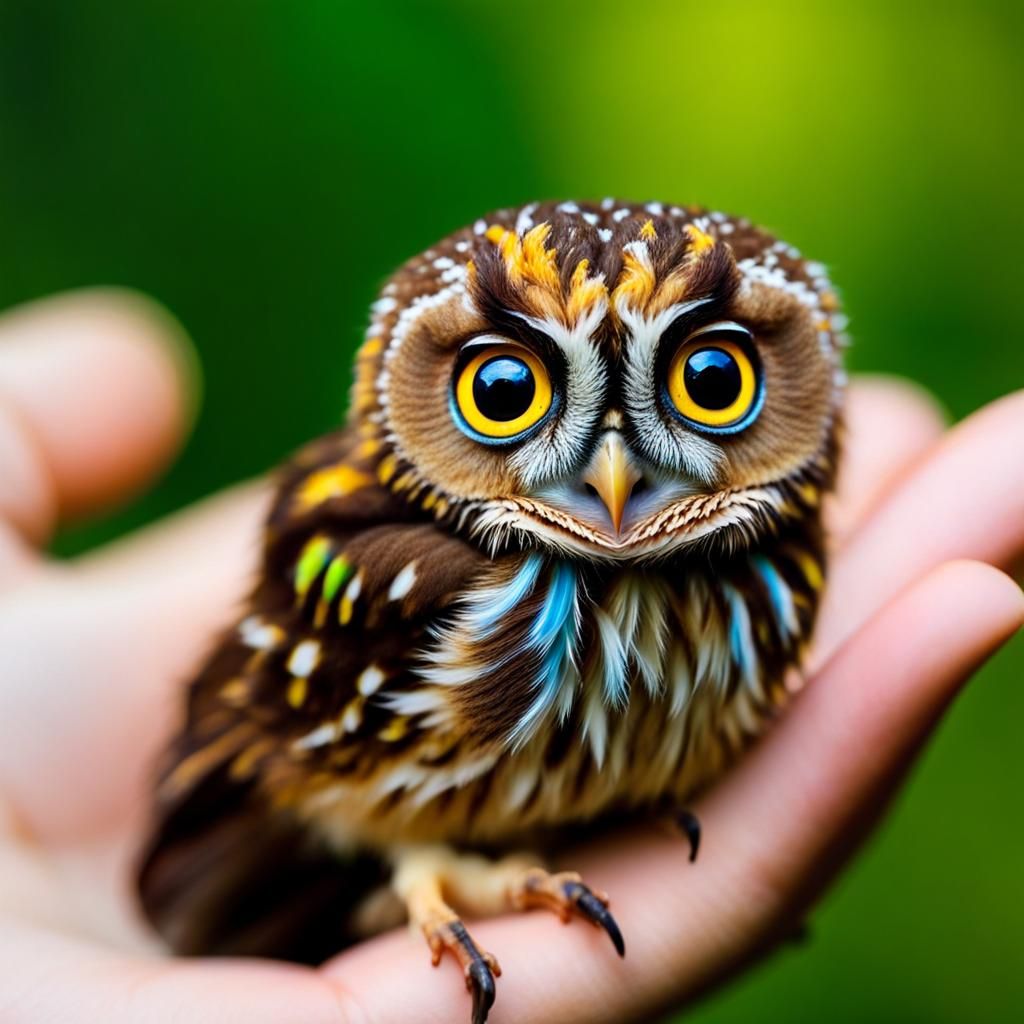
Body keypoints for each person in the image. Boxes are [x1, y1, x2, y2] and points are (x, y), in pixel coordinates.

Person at [0, 289, 1021, 1023]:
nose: (613, 468)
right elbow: (283, 759)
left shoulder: (780, 567)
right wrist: (416, 861)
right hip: (339, 838)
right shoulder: (419, 572)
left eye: (708, 383)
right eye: (507, 393)